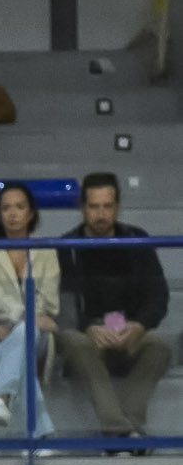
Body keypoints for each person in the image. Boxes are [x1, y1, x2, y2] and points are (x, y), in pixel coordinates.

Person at [57, 173, 171, 448]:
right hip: (87, 333)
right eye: (94, 207)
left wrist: (139, 326)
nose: (101, 214)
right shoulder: (66, 247)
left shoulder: (137, 240)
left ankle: (128, 425)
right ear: (83, 208)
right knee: (76, 343)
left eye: (107, 206)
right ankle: (119, 431)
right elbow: (64, 305)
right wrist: (89, 327)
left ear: (117, 207)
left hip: (129, 329)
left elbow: (158, 295)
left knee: (161, 348)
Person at [0, 181, 59, 436]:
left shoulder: (47, 251)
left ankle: (2, 398)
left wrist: (13, 324)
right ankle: (40, 436)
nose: (13, 213)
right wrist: (24, 318)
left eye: (19, 207)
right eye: (6, 208)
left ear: (31, 213)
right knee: (22, 349)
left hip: (32, 333)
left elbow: (49, 301)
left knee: (23, 334)